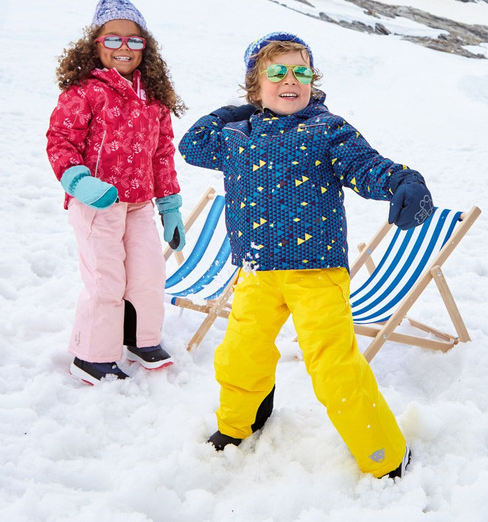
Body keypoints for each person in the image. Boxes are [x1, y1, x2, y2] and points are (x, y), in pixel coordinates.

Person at [178, 31, 434, 478]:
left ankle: (386, 455)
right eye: (276, 72)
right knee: (240, 355)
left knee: (333, 367)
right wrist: (239, 110)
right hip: (255, 272)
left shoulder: (327, 129)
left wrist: (403, 181)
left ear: (314, 81)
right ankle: (240, 424)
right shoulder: (236, 134)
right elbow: (192, 144)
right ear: (254, 84)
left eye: (302, 71)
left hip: (317, 272)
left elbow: (365, 166)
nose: (291, 79)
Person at [46, 0, 187, 384]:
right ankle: (90, 355)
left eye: (134, 39)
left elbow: (162, 154)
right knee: (106, 277)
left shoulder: (153, 98)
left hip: (140, 203)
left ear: (146, 46)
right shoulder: (85, 91)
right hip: (96, 204)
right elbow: (61, 141)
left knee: (147, 273)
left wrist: (170, 205)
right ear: (95, 44)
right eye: (113, 38)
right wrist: (79, 181)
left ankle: (139, 338)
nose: (123, 46)